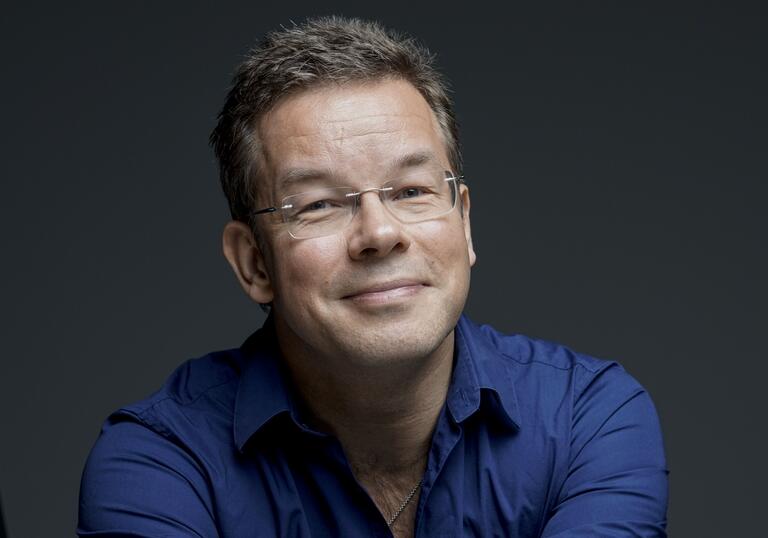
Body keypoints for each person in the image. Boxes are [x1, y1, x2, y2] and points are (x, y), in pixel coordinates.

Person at [78, 16, 668, 537]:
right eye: (318, 205)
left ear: (463, 224)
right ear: (253, 262)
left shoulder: (590, 419)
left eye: (412, 191)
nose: (379, 234)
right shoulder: (160, 461)